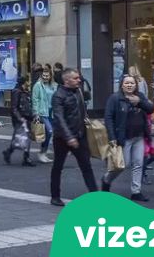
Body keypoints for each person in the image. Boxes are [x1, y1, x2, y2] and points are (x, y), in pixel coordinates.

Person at [101, 74, 154, 201]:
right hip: (124, 137)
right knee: (121, 165)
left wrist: (139, 102)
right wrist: (112, 137)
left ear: (136, 85)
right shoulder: (115, 98)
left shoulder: (140, 96)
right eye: (126, 83)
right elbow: (108, 118)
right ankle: (106, 179)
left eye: (132, 83)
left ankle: (136, 191)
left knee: (138, 164)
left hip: (139, 136)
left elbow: (150, 109)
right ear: (122, 85)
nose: (129, 85)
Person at [49, 68, 99, 207]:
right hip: (62, 138)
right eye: (75, 78)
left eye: (78, 77)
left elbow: (82, 111)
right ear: (66, 80)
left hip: (79, 135)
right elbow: (59, 118)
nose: (79, 80)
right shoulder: (58, 95)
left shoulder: (78, 91)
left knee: (86, 166)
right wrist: (69, 137)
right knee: (58, 166)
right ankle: (55, 196)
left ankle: (95, 195)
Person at [2, 76, 36, 167]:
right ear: (24, 82)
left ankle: (9, 152)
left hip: (26, 117)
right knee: (23, 137)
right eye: (27, 81)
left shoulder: (24, 91)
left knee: (22, 137)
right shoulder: (17, 91)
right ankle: (25, 158)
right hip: (20, 118)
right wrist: (20, 118)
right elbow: (14, 107)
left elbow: (27, 105)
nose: (29, 83)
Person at [32, 69, 58, 163]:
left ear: (50, 76)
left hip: (52, 112)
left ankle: (44, 153)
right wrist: (36, 113)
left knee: (49, 133)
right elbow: (35, 99)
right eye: (44, 75)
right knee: (49, 131)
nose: (45, 77)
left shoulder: (54, 85)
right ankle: (42, 153)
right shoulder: (38, 85)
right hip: (42, 112)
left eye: (47, 76)